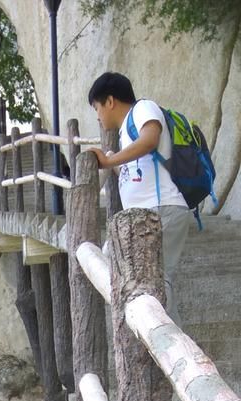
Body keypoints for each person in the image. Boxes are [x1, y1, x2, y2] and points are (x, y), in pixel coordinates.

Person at [87, 72, 190, 324]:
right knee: (111, 261)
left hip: (161, 209)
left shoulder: (143, 108)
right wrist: (114, 164)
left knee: (155, 283)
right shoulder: (126, 131)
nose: (98, 116)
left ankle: (174, 349)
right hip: (145, 218)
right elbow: (139, 171)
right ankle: (166, 346)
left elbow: (150, 140)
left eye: (97, 108)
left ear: (110, 101)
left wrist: (110, 159)